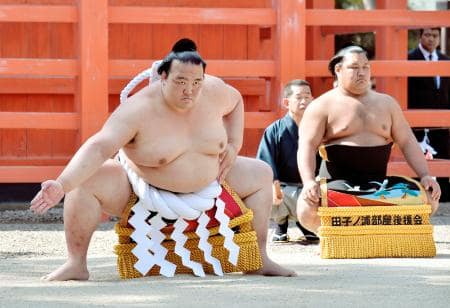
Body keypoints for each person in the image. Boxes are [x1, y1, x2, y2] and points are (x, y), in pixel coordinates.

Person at [30, 38, 296, 280]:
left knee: (261, 172)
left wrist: (235, 144)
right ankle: (76, 263)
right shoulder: (137, 109)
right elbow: (99, 147)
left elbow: (236, 100)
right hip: (142, 192)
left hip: (213, 185)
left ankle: (259, 258)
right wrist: (61, 184)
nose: (189, 91)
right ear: (163, 77)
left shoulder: (214, 91)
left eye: (196, 83)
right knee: (86, 179)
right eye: (181, 82)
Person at [296, 45, 441, 233]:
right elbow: (306, 145)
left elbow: (407, 141)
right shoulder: (321, 105)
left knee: (429, 199)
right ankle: (333, 235)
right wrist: (308, 181)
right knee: (306, 208)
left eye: (366, 67)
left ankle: (379, 233)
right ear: (338, 70)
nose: (362, 73)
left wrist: (425, 175)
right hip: (337, 183)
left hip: (380, 185)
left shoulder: (387, 103)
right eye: (354, 67)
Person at [256, 79, 319, 244]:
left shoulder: (318, 129)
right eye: (299, 97)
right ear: (286, 102)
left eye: (307, 96)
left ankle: (306, 223)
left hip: (310, 187)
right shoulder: (274, 130)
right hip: (283, 188)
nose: (304, 101)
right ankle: (281, 223)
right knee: (268, 195)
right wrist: (273, 184)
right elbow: (265, 163)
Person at [408, 27, 450, 201]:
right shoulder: (409, 59)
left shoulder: (445, 60)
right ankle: (415, 198)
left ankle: (445, 197)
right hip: (416, 122)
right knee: (415, 162)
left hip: (441, 123)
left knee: (443, 158)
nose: (431, 39)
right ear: (420, 36)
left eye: (435, 35)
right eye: (427, 35)